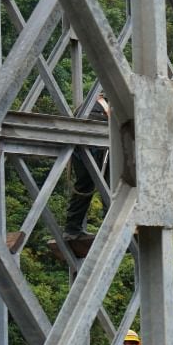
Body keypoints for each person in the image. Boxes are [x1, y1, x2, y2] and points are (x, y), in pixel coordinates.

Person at [63, 94, 110, 258]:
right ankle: (110, 226)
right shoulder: (111, 102)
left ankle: (72, 229)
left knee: (84, 184)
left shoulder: (91, 104)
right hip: (98, 139)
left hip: (82, 141)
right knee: (110, 184)